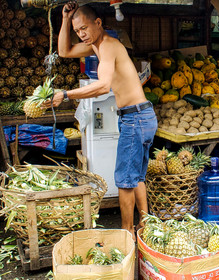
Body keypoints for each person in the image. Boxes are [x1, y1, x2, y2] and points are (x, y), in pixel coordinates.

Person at [44, 2, 157, 239]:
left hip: (136, 117)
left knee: (125, 180)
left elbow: (104, 85)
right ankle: (146, 227)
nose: (82, 34)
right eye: (78, 31)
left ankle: (128, 233)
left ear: (98, 23)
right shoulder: (95, 46)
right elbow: (64, 52)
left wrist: (65, 95)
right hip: (140, 116)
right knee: (135, 176)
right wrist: (65, 19)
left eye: (85, 28)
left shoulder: (108, 45)